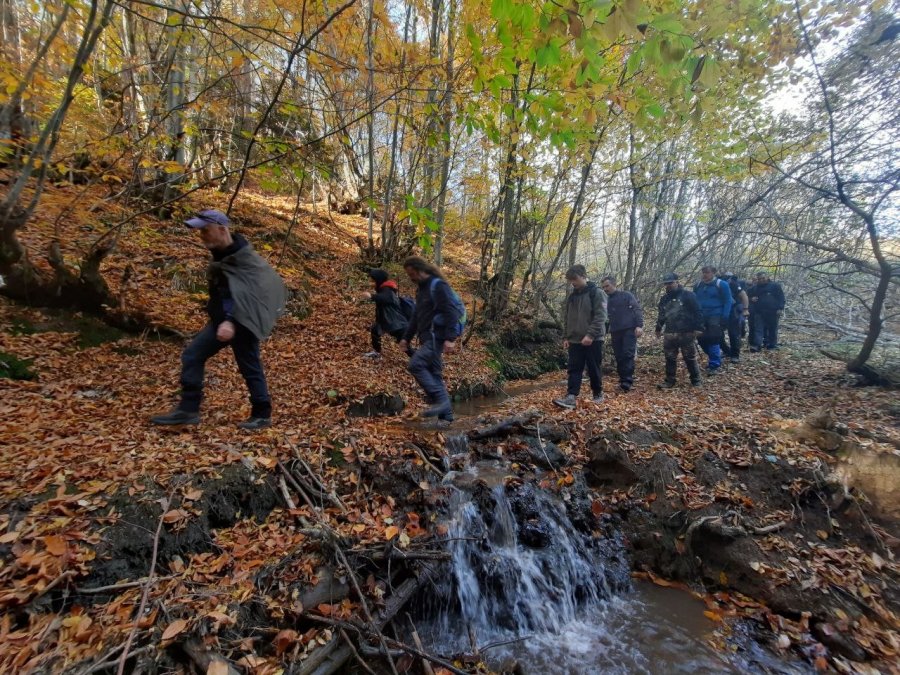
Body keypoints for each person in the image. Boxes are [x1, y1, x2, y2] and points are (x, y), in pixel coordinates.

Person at [151, 209, 287, 429]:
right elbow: (227, 289)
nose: (202, 235)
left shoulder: (244, 258)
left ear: (222, 230)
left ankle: (262, 414)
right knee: (193, 355)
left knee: (249, 365)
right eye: (200, 231)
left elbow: (256, 290)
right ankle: (188, 410)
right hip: (223, 320)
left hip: (242, 321)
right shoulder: (223, 255)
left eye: (206, 230)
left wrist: (231, 320)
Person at [398, 257, 462, 422]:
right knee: (435, 375)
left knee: (415, 364)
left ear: (420, 269)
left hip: (437, 338)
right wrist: (406, 338)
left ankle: (442, 402)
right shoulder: (421, 290)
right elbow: (415, 316)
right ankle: (446, 418)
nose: (411, 278)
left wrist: (450, 338)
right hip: (426, 338)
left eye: (411, 274)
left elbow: (451, 312)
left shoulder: (438, 286)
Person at [553, 265, 607, 409]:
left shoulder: (597, 293)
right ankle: (571, 397)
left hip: (593, 339)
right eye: (570, 280)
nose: (573, 283)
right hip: (574, 339)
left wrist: (590, 335)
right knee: (574, 368)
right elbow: (567, 317)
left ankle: (597, 393)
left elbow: (601, 316)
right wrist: (566, 337)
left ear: (583, 276)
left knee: (593, 367)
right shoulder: (572, 296)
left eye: (575, 279)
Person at [655, 272, 704, 388]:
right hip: (670, 332)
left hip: (686, 332)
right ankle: (669, 380)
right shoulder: (664, 299)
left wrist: (699, 328)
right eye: (666, 283)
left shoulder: (689, 295)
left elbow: (698, 312)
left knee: (689, 357)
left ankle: (696, 380)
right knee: (669, 358)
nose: (668, 285)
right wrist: (658, 328)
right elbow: (661, 315)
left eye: (670, 283)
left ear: (677, 282)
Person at [600, 275, 643, 392]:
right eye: (603, 287)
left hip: (629, 329)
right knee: (619, 355)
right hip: (615, 331)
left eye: (607, 286)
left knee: (627, 354)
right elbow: (604, 317)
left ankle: (627, 381)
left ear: (614, 284)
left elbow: (637, 309)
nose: (605, 289)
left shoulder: (626, 295)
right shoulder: (605, 300)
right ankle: (622, 378)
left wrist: (639, 325)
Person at [360, 269, 410, 358]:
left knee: (405, 347)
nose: (371, 283)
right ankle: (377, 353)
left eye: (373, 281)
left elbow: (385, 298)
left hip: (396, 324)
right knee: (375, 330)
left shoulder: (387, 289)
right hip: (387, 321)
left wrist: (371, 296)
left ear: (378, 280)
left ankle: (423, 360)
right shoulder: (384, 288)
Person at [693, 265, 733, 374]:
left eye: (707, 272)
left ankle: (714, 364)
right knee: (701, 339)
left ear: (713, 273)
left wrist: (725, 316)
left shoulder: (722, 284)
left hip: (716, 315)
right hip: (701, 316)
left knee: (713, 338)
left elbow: (728, 301)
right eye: (703, 272)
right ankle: (715, 356)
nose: (705, 274)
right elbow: (694, 301)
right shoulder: (698, 285)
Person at [748, 271, 786, 351]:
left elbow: (781, 298)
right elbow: (745, 295)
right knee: (758, 329)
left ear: (767, 277)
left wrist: (780, 308)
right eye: (759, 279)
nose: (761, 280)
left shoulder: (775, 286)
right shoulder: (755, 288)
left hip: (773, 312)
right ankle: (757, 345)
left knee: (772, 329)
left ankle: (772, 345)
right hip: (759, 311)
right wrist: (751, 299)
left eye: (763, 278)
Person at [719, 274, 749, 362]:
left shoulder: (732, 284)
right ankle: (726, 351)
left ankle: (735, 355)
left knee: (734, 333)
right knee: (717, 334)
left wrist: (745, 309)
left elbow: (743, 295)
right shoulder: (711, 284)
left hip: (733, 310)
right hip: (719, 311)